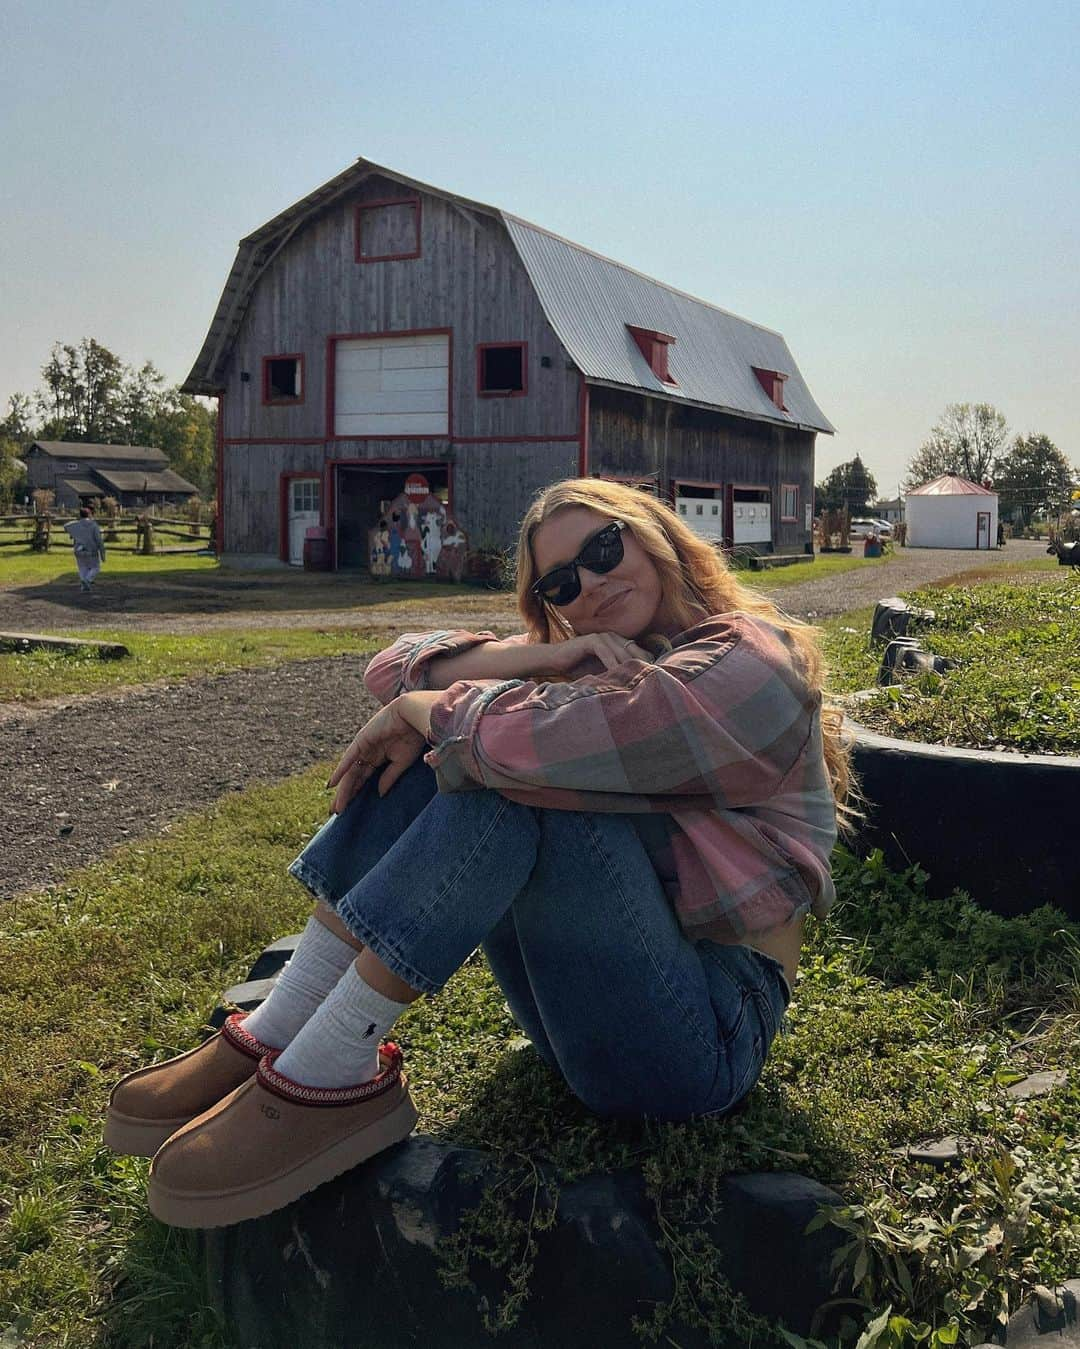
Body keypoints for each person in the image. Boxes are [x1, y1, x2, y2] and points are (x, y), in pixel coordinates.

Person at [104, 477, 851, 1230]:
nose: (590, 582)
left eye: (602, 548)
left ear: (653, 533)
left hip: (707, 1039)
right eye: (562, 583)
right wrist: (544, 658)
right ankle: (282, 1030)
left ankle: (330, 1069)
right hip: (587, 1018)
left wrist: (425, 710)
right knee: (473, 741)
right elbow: (392, 666)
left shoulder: (750, 662)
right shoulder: (608, 660)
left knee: (500, 762)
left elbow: (529, 734)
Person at [63, 506, 106, 591]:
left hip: (78, 550)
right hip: (91, 550)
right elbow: (99, 540)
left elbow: (66, 526)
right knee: (95, 568)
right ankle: (87, 580)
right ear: (89, 515)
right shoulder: (93, 525)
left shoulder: (76, 524)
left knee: (82, 568)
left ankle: (84, 585)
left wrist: (73, 533)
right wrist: (102, 553)